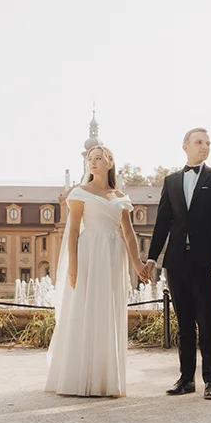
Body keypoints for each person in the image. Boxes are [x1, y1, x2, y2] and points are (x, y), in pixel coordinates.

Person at [45, 145, 149, 397]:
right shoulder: (80, 192)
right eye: (90, 159)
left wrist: (137, 263)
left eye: (98, 158)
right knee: (85, 307)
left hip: (114, 256)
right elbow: (71, 231)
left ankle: (105, 379)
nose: (92, 163)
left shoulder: (120, 196)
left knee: (107, 310)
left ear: (110, 162)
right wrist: (73, 265)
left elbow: (128, 232)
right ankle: (77, 378)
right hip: (89, 251)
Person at [145, 128, 211, 400]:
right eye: (199, 142)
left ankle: (210, 382)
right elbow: (162, 222)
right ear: (185, 147)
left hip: (207, 263)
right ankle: (186, 380)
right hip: (176, 263)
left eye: (208, 143)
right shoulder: (170, 181)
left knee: (208, 324)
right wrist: (152, 257)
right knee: (184, 325)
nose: (205, 146)